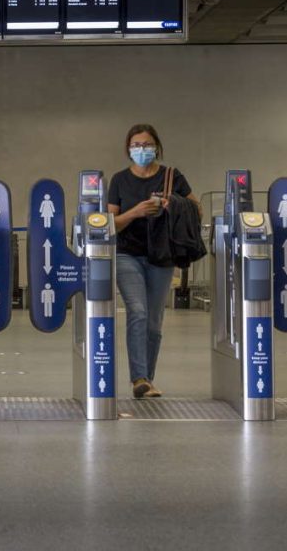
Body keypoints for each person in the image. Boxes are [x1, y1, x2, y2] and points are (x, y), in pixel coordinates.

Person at [107, 124, 200, 400]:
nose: (142, 150)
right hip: (126, 254)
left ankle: (147, 377)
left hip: (161, 255)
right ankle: (138, 377)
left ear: (157, 146)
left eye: (147, 144)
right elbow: (110, 223)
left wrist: (174, 205)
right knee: (137, 310)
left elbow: (196, 208)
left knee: (153, 320)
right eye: (136, 145)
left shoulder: (173, 176)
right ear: (128, 149)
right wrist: (135, 212)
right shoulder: (120, 180)